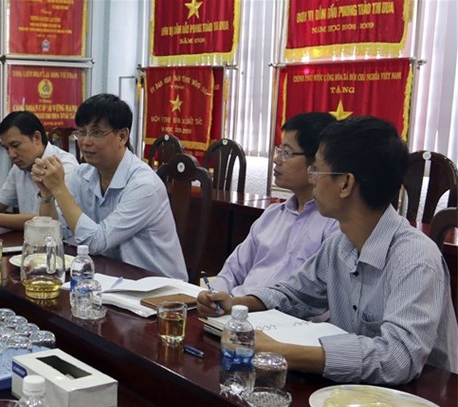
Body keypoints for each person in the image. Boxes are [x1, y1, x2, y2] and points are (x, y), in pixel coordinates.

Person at [198, 116, 458, 385]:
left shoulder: (415, 259)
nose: (312, 180)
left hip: (422, 398)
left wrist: (285, 352)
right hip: (353, 392)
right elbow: (294, 295)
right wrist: (237, 303)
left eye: (317, 172)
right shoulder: (340, 244)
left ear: (345, 184)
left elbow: (397, 358)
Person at [32, 94, 186, 280]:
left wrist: (59, 188)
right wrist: (47, 195)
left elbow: (96, 242)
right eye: (82, 132)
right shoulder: (82, 174)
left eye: (96, 133)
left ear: (122, 136)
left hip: (159, 288)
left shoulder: (144, 185)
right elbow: (54, 235)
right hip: (110, 278)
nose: (85, 141)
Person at [197, 112, 339, 307]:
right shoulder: (272, 215)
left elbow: (317, 299)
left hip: (281, 320)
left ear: (317, 162)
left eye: (287, 153)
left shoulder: (334, 225)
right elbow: (232, 270)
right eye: (279, 150)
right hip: (235, 313)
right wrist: (213, 298)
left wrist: (240, 304)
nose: (276, 159)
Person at [0, 111, 78, 230]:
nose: (11, 155)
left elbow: (48, 220)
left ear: (37, 138)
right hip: (30, 241)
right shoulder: (19, 167)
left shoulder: (65, 167)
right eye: (6, 148)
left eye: (15, 145)